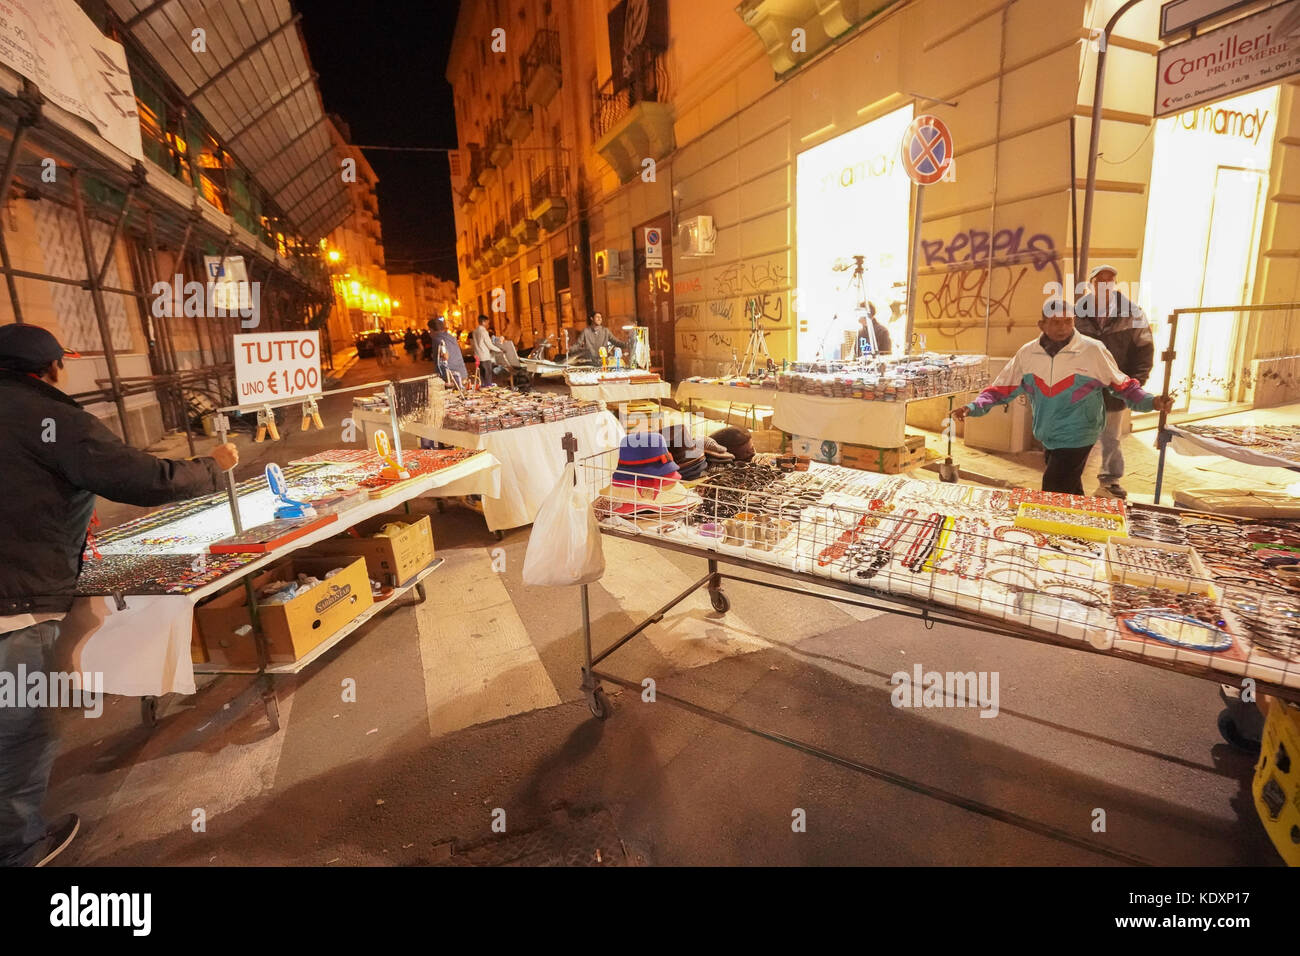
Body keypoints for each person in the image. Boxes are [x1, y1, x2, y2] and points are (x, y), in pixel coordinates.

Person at [0, 324, 239, 867]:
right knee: (18, 731)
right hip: (14, 602)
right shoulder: (51, 418)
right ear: (50, 368)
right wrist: (213, 466)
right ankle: (17, 848)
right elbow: (145, 479)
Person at [953, 300, 1173, 495]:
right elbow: (1002, 389)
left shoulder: (1092, 350)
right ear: (1042, 325)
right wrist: (972, 407)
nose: (1063, 327)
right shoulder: (1028, 354)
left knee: (1053, 490)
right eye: (1056, 322)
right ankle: (1080, 529)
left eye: (1068, 321)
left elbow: (1122, 385)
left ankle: (1054, 538)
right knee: (1069, 489)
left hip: (1079, 434)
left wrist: (1151, 401)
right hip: (1048, 434)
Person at [1073, 264, 1154, 499]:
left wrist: (1136, 382)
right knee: (1077, 434)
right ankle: (1071, 476)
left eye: (1110, 281)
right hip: (1082, 387)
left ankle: (1110, 480)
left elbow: (1144, 348)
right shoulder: (1077, 312)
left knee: (1110, 436)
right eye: (1100, 281)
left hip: (1116, 386)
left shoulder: (1132, 313)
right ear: (1091, 284)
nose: (1105, 285)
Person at [427, 317, 467, 387]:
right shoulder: (451, 337)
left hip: (450, 376)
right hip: (462, 372)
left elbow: (445, 355)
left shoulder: (437, 339)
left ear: (431, 329)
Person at [471, 314, 504, 387]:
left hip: (478, 356)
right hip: (485, 356)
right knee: (488, 375)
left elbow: (473, 344)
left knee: (482, 375)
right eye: (487, 322)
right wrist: (499, 350)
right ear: (483, 322)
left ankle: (483, 387)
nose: (488, 324)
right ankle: (488, 388)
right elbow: (489, 344)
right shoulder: (484, 332)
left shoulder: (474, 331)